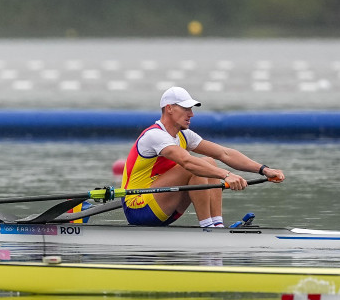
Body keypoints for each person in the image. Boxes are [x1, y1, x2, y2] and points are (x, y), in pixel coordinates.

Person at [121, 86, 285, 227]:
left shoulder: (184, 135)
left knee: (209, 161)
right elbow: (187, 162)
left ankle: (216, 224)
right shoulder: (154, 136)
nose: (191, 114)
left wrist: (264, 170)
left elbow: (224, 153)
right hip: (138, 207)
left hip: (164, 205)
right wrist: (226, 175)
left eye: (191, 109)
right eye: (186, 109)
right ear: (169, 108)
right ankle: (208, 227)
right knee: (196, 167)